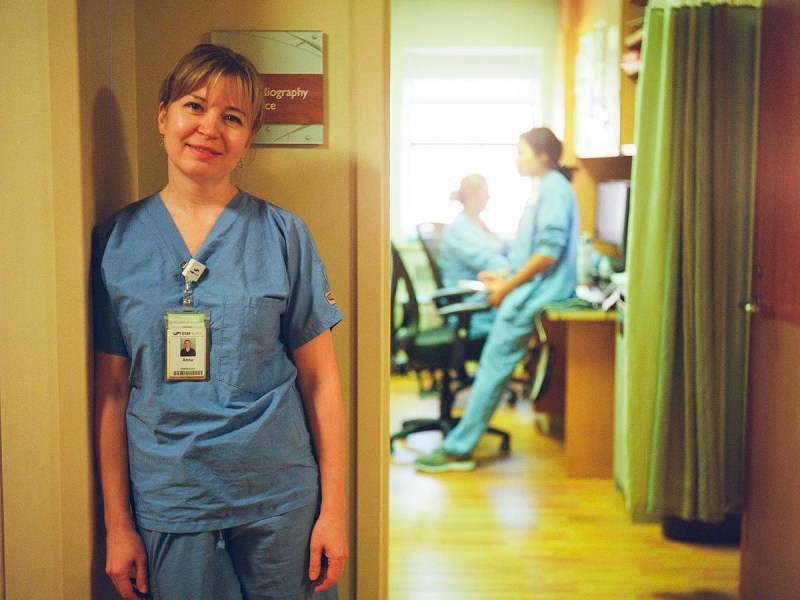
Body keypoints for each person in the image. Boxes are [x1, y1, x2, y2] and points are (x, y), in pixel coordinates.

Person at [92, 44, 348, 599]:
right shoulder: (115, 241)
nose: (210, 128)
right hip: (171, 495)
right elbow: (111, 390)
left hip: (280, 495)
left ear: (248, 138)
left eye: (232, 117)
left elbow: (320, 379)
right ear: (163, 116)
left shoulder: (284, 235)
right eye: (194, 106)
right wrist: (117, 524)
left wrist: (334, 512)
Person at [414, 127, 578, 473]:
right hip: (528, 290)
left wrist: (505, 288)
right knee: (494, 368)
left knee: (492, 370)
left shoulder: (552, 189)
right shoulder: (548, 188)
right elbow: (535, 253)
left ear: (543, 156)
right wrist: (505, 278)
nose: (517, 159)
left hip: (532, 295)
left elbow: (548, 253)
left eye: (522, 152)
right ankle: (460, 443)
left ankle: (458, 450)